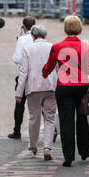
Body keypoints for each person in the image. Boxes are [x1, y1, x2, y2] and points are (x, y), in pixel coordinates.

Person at [42, 15, 89, 167]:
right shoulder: (86, 47)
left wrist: (44, 73)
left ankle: (68, 157)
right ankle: (85, 151)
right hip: (81, 85)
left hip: (64, 86)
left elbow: (49, 66)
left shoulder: (57, 46)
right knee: (82, 120)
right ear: (79, 28)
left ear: (65, 28)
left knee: (66, 122)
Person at [16, 25, 58, 160]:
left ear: (33, 36)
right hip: (51, 86)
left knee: (34, 118)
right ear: (45, 36)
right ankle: (47, 147)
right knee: (50, 118)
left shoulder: (27, 49)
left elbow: (23, 72)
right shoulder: (53, 47)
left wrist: (19, 92)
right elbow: (57, 68)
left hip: (33, 88)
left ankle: (33, 145)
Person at [8, 16, 35, 139]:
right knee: (41, 105)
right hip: (38, 77)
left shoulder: (22, 40)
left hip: (25, 76)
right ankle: (52, 130)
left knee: (20, 104)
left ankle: (17, 130)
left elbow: (16, 59)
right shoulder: (42, 38)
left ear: (24, 27)